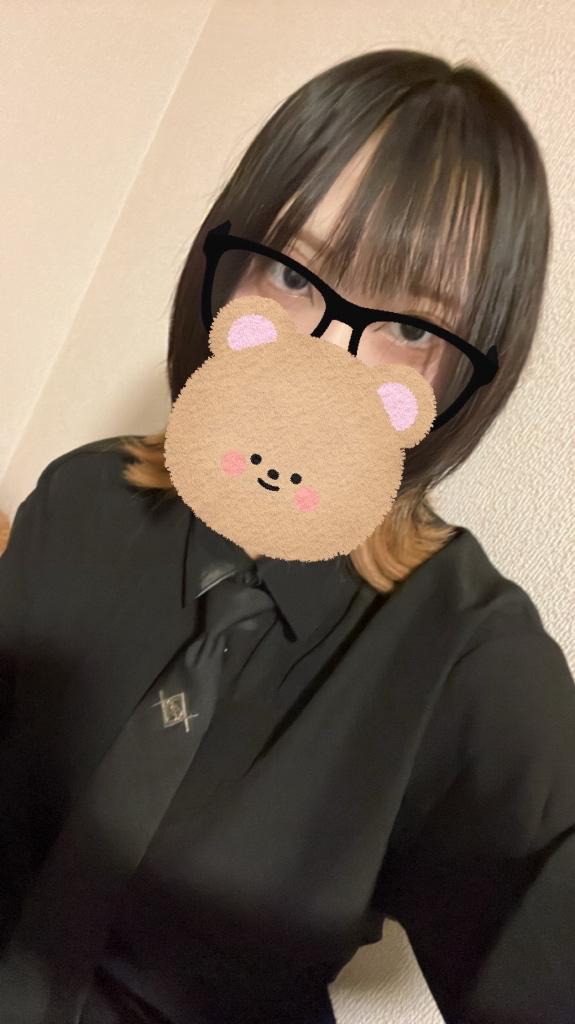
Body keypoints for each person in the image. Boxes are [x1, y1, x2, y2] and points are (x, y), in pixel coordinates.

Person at [1, 47, 574, 1024]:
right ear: (221, 273)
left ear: (464, 381)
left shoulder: (468, 660)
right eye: (289, 272)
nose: (320, 361)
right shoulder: (82, 497)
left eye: (411, 328)